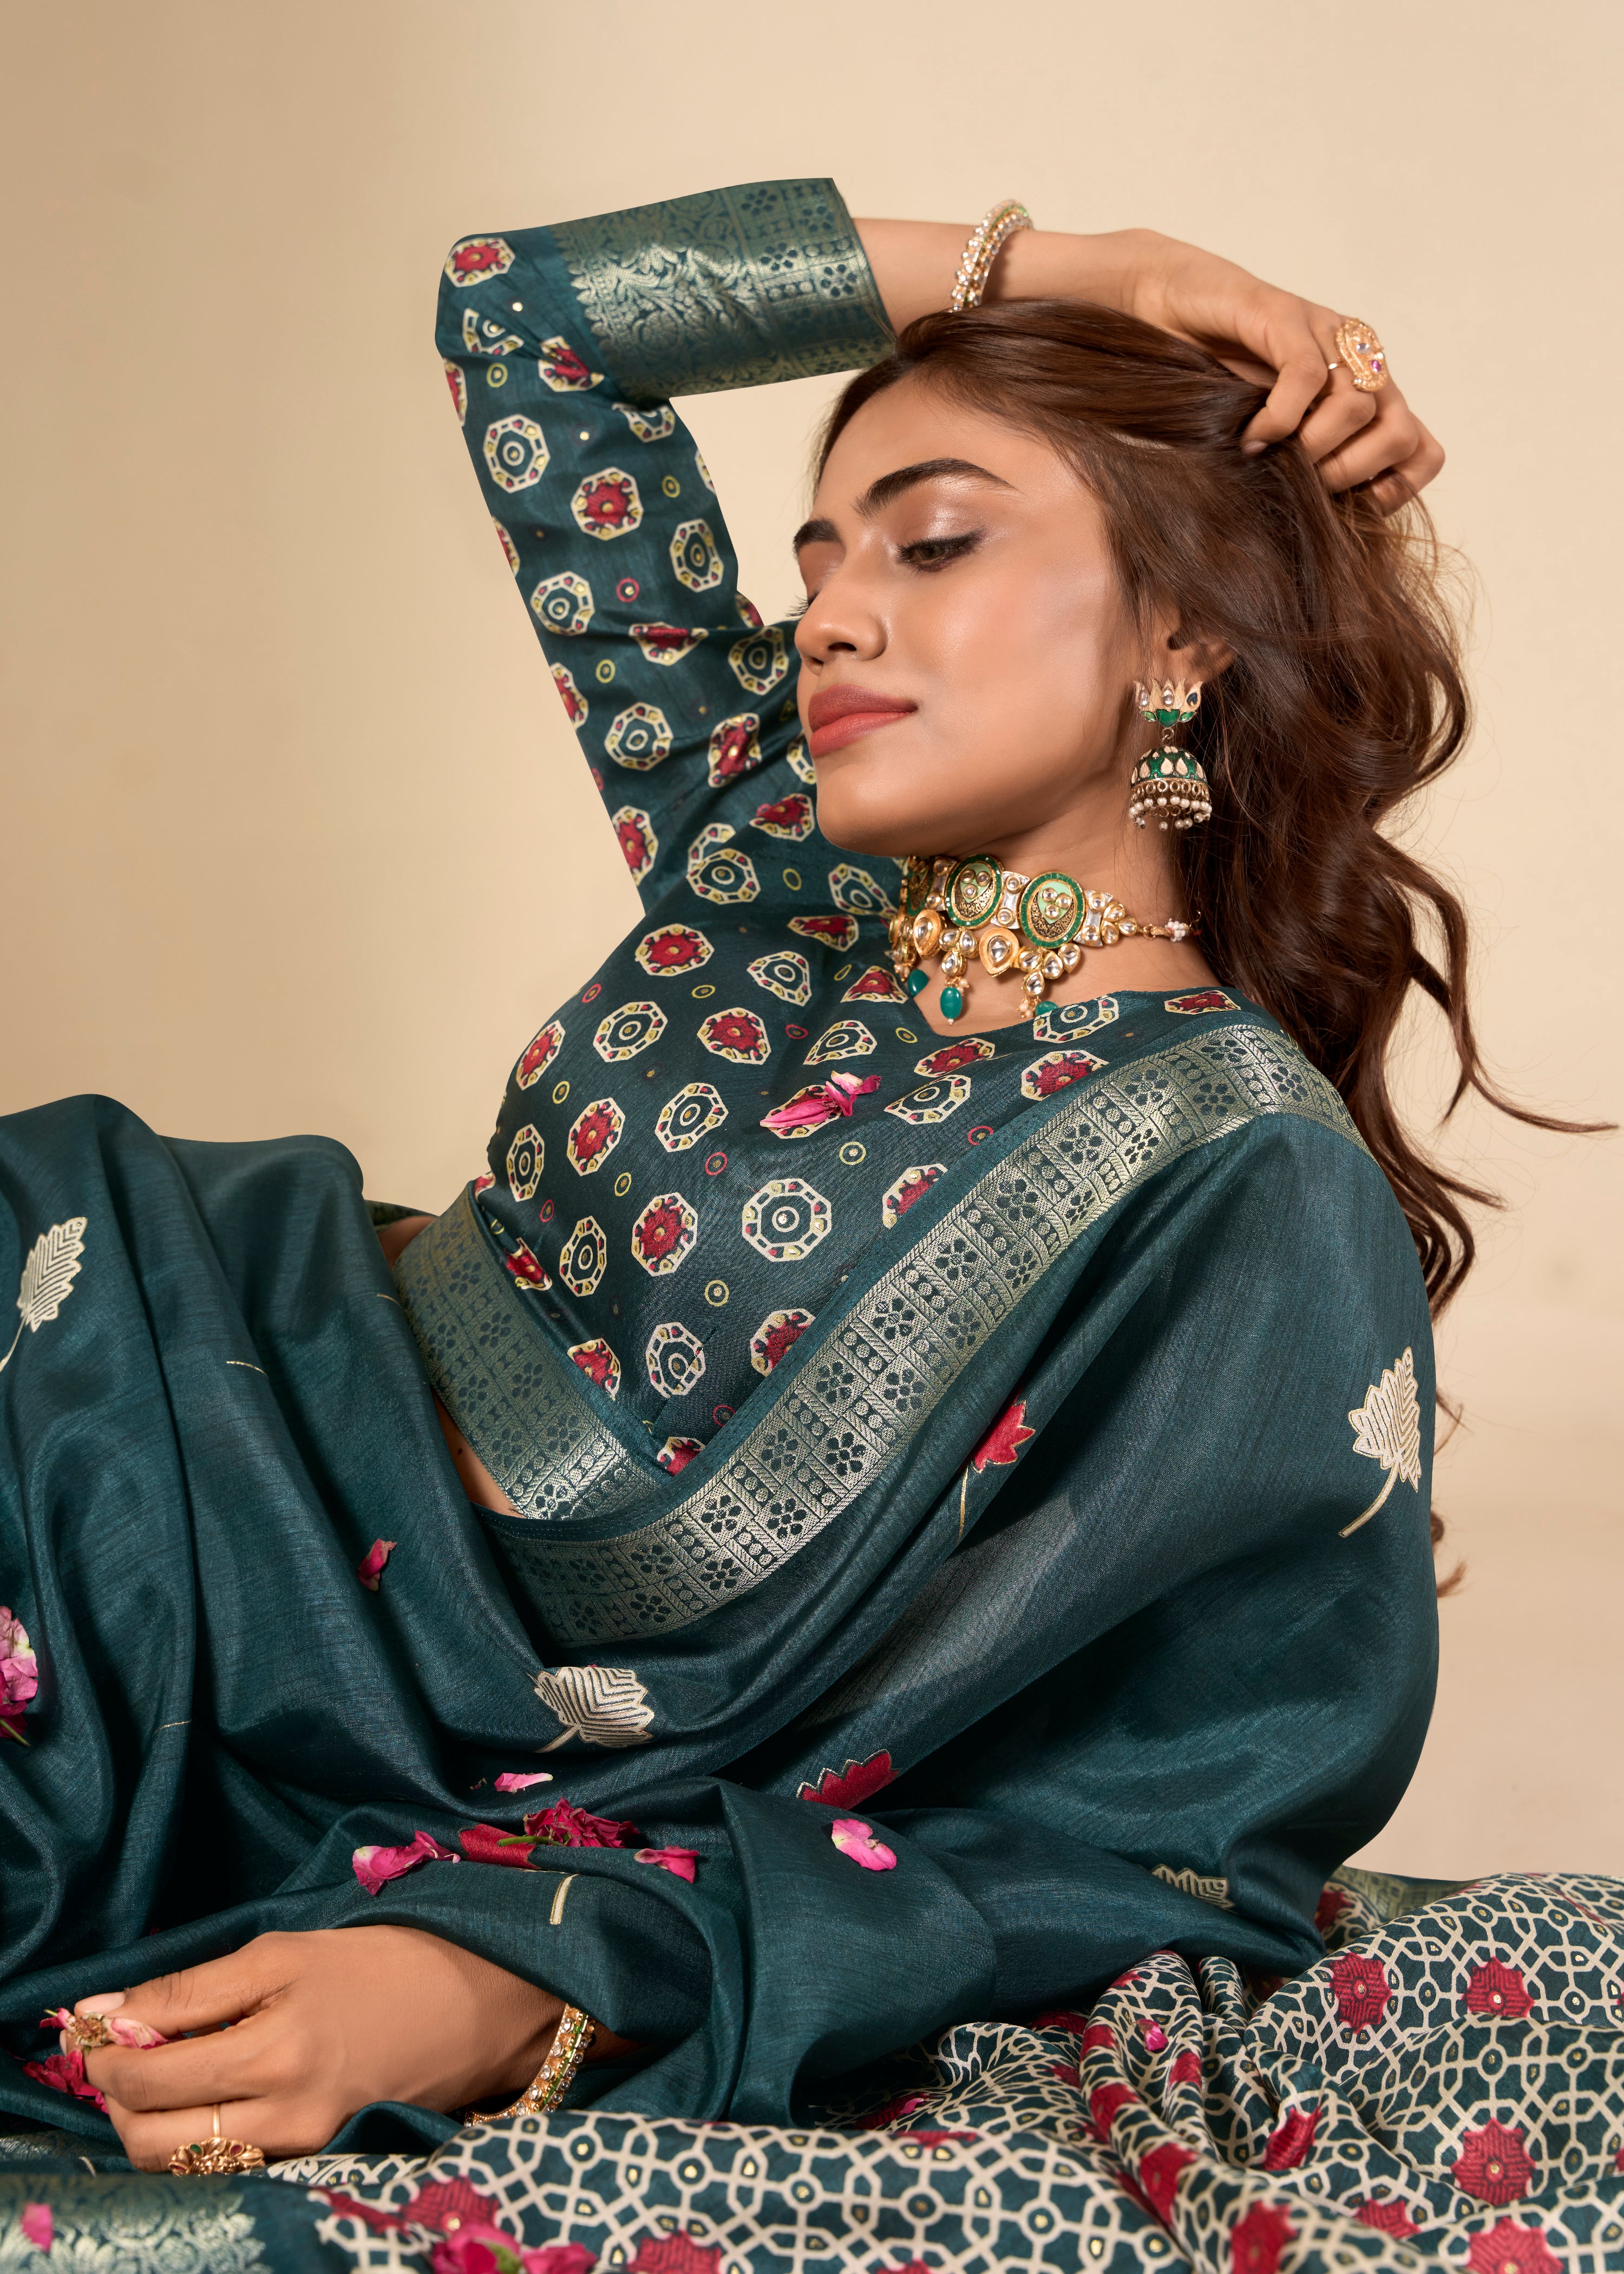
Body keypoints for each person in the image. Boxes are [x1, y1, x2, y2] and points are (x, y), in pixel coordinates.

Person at [0, 181, 1613, 2272]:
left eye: (932, 544)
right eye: (820, 557)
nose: (835, 616)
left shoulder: (1236, 1175)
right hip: (112, 1393)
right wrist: (1109, 273)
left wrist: (526, 1968)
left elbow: (1147, 1837)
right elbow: (524, 317)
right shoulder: (769, 843)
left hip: (347, 1773)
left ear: (1186, 629)